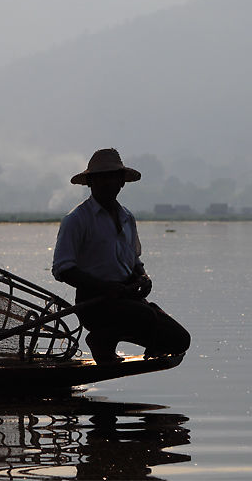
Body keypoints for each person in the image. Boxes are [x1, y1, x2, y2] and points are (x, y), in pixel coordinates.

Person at [52, 148, 191, 364]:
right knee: (143, 316)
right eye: (101, 178)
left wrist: (143, 278)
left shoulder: (127, 218)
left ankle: (110, 338)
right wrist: (104, 287)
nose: (108, 183)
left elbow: (135, 262)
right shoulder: (77, 219)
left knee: (180, 340)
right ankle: (101, 340)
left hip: (127, 299)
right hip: (94, 303)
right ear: (91, 182)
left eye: (113, 177)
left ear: (122, 182)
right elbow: (63, 269)